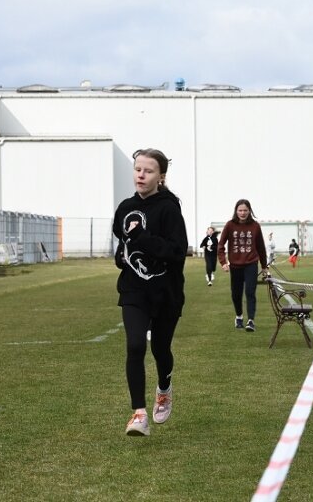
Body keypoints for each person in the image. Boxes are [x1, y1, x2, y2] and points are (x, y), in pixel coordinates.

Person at [113, 148, 188, 437]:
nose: (141, 175)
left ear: (161, 176)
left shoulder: (169, 209)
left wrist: (142, 238)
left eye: (148, 170)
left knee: (160, 349)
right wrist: (122, 256)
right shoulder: (124, 208)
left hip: (166, 292)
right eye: (137, 169)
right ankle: (139, 414)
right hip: (134, 289)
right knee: (134, 345)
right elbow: (125, 244)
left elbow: (177, 252)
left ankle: (164, 389)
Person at [218, 199, 268, 332]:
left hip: (251, 264)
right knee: (236, 294)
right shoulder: (230, 225)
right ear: (236, 211)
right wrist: (223, 262)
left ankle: (251, 320)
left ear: (249, 211)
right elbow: (221, 245)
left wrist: (264, 266)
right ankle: (239, 316)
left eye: (245, 210)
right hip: (235, 265)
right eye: (240, 210)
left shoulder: (255, 226)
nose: (243, 213)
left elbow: (261, 247)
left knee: (250, 292)